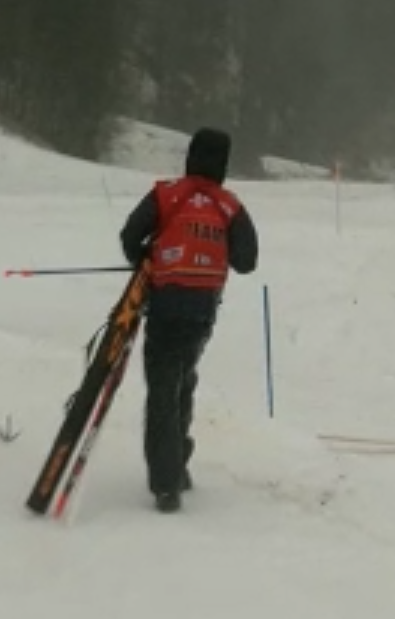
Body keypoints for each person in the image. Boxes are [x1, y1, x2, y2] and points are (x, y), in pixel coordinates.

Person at [121, 128, 259, 514]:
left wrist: (147, 257)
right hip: (202, 311)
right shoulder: (229, 206)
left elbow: (131, 235)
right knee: (183, 377)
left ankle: (167, 483)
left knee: (163, 386)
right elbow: (247, 261)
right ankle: (177, 462)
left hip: (165, 304)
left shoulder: (167, 194)